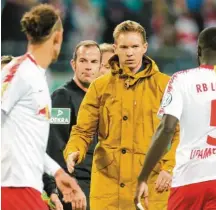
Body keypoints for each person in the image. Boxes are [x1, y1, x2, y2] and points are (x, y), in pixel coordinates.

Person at [64, 20, 179, 210]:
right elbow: (82, 130)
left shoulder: (165, 86)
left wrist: (169, 167)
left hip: (150, 188)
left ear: (145, 47)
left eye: (135, 46)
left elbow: (180, 133)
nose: (130, 52)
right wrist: (74, 150)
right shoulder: (99, 86)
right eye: (124, 47)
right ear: (115, 48)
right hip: (108, 191)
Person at [134, 27, 216, 210]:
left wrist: (143, 176)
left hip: (188, 180)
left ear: (198, 51)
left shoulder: (181, 79)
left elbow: (166, 129)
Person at [1, 4, 86, 210]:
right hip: (12, 187)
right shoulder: (18, 71)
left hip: (29, 187)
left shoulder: (40, 76)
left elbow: (30, 141)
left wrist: (57, 172)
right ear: (58, 37)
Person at [44, 40, 101, 210]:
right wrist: (54, 188)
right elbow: (54, 145)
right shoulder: (62, 97)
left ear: (100, 66)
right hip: (75, 186)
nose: (88, 67)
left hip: (99, 184)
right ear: (73, 64)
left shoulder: (101, 98)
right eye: (83, 61)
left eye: (93, 62)